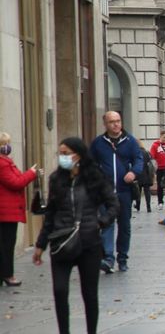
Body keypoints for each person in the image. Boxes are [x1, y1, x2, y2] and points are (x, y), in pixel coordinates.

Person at [34, 137, 119, 334]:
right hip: (61, 241)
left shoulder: (94, 177)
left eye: (66, 153)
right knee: (60, 290)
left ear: (78, 155)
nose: (62, 157)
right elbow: (50, 214)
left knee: (89, 294)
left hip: (89, 243)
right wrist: (40, 244)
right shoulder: (56, 179)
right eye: (60, 153)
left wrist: (101, 222)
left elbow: (114, 204)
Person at [90, 111, 143, 273]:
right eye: (112, 122)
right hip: (105, 193)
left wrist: (133, 172)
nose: (116, 124)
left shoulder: (130, 141)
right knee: (107, 224)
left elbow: (139, 160)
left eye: (118, 121)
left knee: (124, 225)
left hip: (124, 191)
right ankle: (108, 258)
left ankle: (122, 257)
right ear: (105, 124)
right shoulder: (98, 143)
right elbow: (90, 164)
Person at [0, 132, 39, 286]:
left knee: (5, 244)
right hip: (5, 212)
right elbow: (16, 183)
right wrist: (31, 173)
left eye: (7, 143)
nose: (6, 147)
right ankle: (8, 275)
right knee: (6, 245)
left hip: (7, 210)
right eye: (3, 144)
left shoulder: (6, 161)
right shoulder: (2, 163)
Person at [150, 130, 165, 210]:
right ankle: (160, 202)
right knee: (160, 185)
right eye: (164, 137)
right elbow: (152, 157)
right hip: (159, 168)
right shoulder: (155, 145)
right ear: (161, 137)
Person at [134, 141, 154, 212]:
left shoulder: (136, 153)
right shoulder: (147, 153)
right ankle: (148, 207)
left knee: (138, 191)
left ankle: (138, 206)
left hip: (138, 174)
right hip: (146, 174)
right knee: (147, 191)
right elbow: (151, 164)